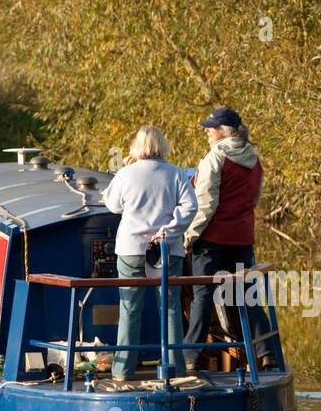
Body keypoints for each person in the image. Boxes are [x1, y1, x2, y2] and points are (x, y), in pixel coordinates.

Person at [102, 125, 196, 382]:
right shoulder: (176, 174)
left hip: (131, 249)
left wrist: (122, 169)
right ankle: (175, 370)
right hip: (167, 250)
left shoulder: (126, 174)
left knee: (129, 309)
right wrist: (167, 231)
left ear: (136, 147)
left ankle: (122, 372)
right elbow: (190, 207)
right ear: (162, 146)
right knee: (171, 308)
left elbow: (111, 204)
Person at [182, 107, 272, 370]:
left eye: (210, 126)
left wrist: (190, 236)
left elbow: (206, 204)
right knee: (247, 295)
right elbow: (253, 200)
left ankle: (190, 357)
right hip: (242, 238)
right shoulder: (254, 158)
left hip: (211, 240)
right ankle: (267, 352)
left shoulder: (215, 157)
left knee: (203, 295)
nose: (206, 130)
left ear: (224, 131)